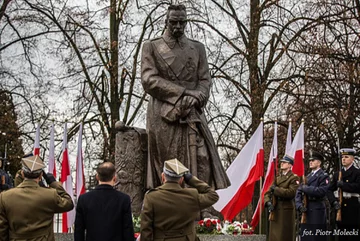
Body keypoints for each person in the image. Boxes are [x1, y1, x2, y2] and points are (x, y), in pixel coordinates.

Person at [141, 4, 230, 191]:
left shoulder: (197, 48)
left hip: (192, 111)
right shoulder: (152, 47)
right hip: (165, 114)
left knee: (202, 157)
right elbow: (149, 79)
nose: (178, 27)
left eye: (182, 22)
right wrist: (184, 93)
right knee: (170, 163)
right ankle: (171, 204)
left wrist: (198, 96)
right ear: (166, 22)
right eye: (174, 22)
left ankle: (201, 204)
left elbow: (205, 80)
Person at [140, 158, 219, 241]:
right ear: (181, 179)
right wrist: (192, 179)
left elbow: (145, 230)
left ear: (163, 176)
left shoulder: (151, 197)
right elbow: (213, 196)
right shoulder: (192, 196)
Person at [0, 155, 74, 240]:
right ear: (41, 175)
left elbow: (2, 229)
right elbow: (69, 203)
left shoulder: (5, 197)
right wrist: (53, 183)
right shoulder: (49, 195)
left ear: (23, 174)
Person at [74, 162, 134, 241]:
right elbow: (128, 229)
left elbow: (79, 230)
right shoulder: (124, 199)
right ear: (114, 178)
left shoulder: (84, 199)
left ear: (97, 177)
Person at [327, 148, 360, 241]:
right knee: (342, 235)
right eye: (342, 157)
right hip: (340, 207)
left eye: (346, 157)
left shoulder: (357, 173)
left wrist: (344, 185)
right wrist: (333, 202)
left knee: (352, 234)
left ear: (353, 159)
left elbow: (358, 187)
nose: (343, 159)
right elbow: (329, 190)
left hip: (352, 206)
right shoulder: (337, 174)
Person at [264, 155, 300, 241]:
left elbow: (291, 193)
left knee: (284, 236)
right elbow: (267, 193)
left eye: (284, 162)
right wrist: (268, 202)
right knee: (274, 237)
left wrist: (276, 190)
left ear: (290, 165)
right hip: (276, 209)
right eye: (282, 162)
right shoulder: (277, 178)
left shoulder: (294, 178)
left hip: (286, 210)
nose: (282, 163)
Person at [295, 151, 329, 241]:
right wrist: (299, 206)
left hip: (317, 209)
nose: (310, 162)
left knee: (316, 237)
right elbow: (298, 192)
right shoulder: (307, 176)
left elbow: (321, 191)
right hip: (306, 208)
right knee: (306, 236)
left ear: (319, 162)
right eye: (310, 160)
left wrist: (306, 189)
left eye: (313, 160)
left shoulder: (323, 176)